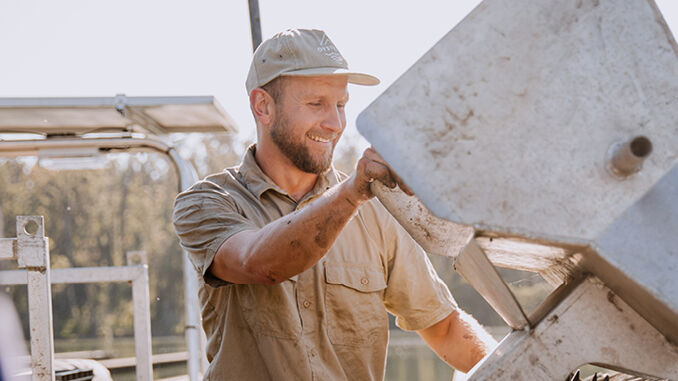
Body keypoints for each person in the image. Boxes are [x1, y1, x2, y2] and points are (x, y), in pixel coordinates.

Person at [173, 28, 495, 380]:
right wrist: (354, 192)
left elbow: (444, 328)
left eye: (341, 105)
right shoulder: (206, 203)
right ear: (262, 106)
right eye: (316, 104)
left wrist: (532, 370)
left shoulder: (378, 213)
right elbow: (259, 263)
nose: (336, 123)